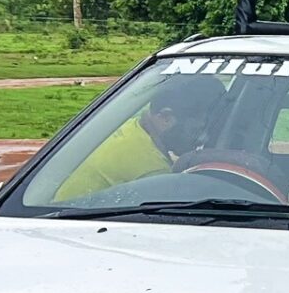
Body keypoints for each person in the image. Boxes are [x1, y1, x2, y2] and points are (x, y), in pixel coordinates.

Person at [54, 75, 226, 202]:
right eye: (197, 129)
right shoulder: (151, 172)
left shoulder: (129, 129)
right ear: (165, 117)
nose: (202, 138)